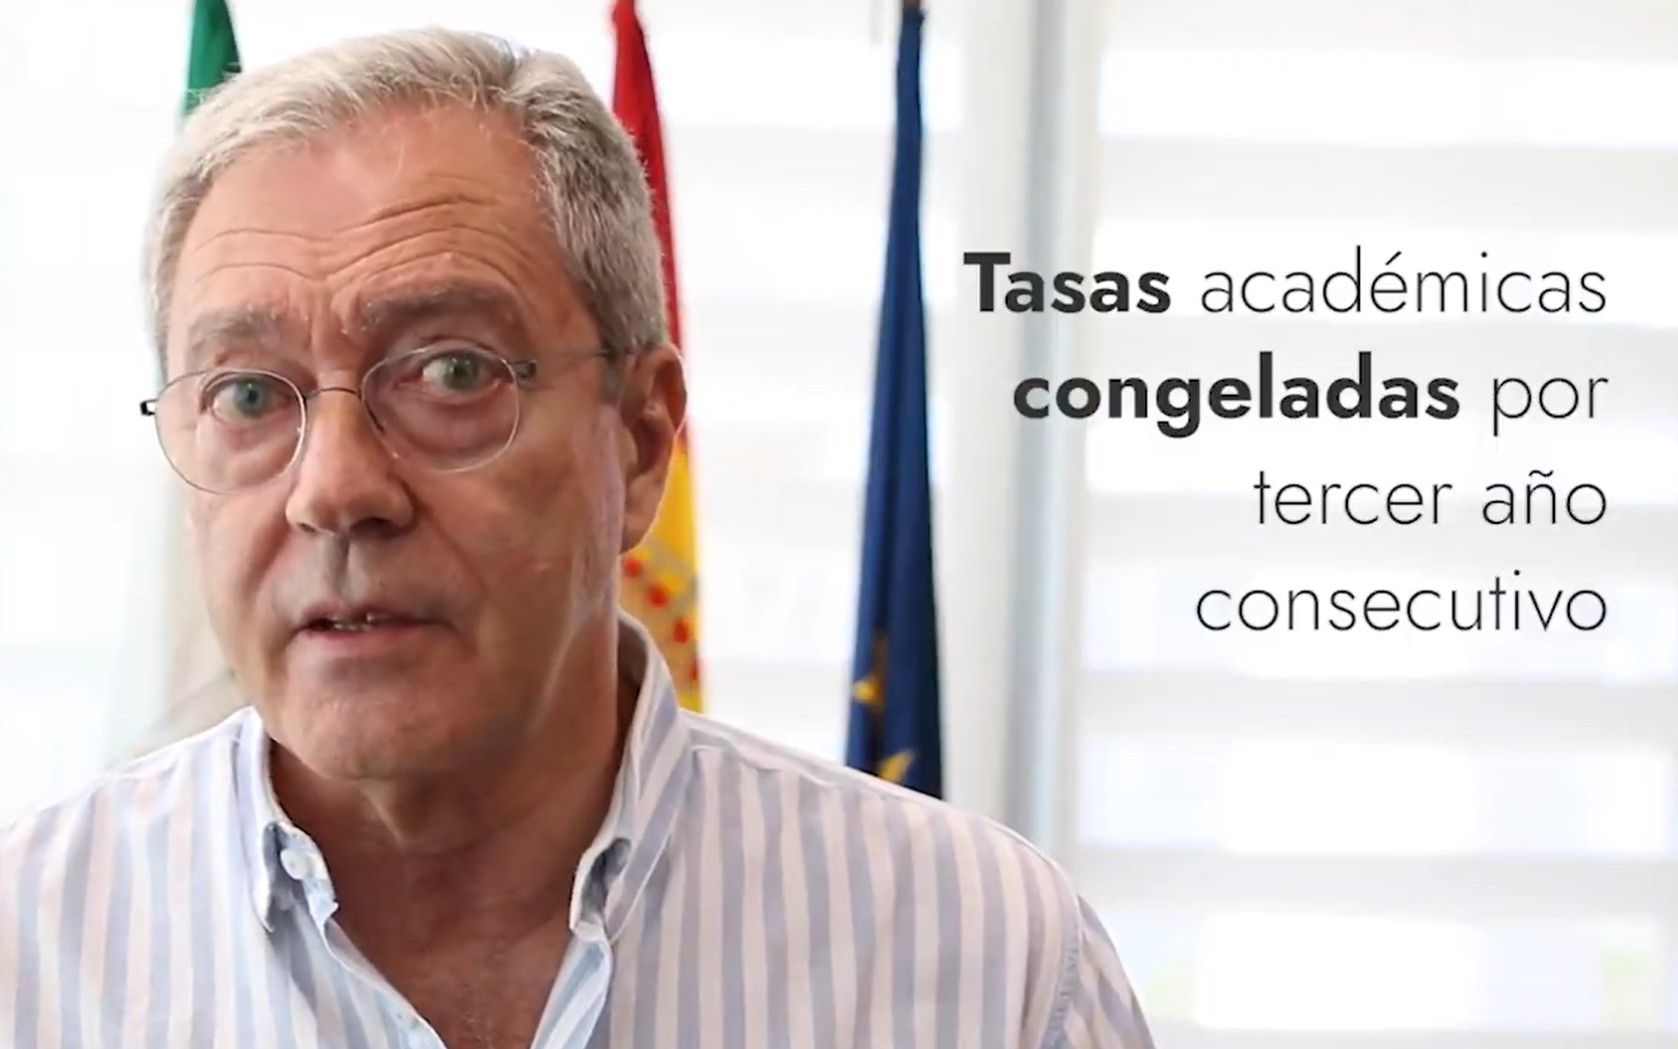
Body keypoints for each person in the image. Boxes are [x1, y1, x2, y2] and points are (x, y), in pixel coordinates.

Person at [0, 28, 1153, 1049]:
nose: (336, 488)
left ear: (641, 442)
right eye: (249, 394)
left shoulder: (984, 960)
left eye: (451, 372)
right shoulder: (25, 953)